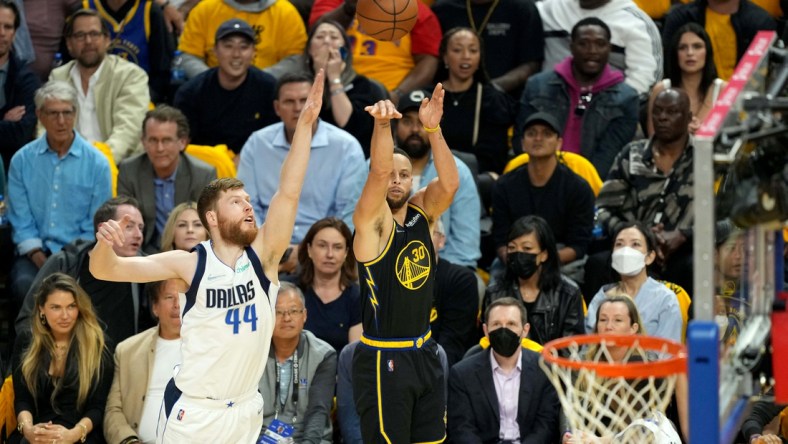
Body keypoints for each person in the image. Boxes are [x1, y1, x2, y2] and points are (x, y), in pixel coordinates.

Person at [88, 70, 326, 442]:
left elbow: (289, 191)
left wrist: (306, 126)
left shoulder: (263, 257)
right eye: (236, 202)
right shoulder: (189, 263)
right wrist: (104, 244)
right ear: (211, 218)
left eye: (248, 201)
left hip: (247, 407)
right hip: (195, 412)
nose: (248, 207)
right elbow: (108, 270)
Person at [352, 84, 458, 443]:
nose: (396, 181)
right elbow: (378, 175)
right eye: (391, 174)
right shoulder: (371, 223)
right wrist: (383, 126)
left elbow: (450, 182)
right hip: (385, 359)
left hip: (426, 352)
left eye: (404, 175)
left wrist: (433, 129)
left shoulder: (420, 213)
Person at [237, 72, 366, 273]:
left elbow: (347, 213)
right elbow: (247, 206)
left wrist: (313, 250)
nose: (298, 108)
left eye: (305, 100)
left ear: (319, 103)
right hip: (266, 250)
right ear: (277, 108)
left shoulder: (346, 147)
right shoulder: (257, 144)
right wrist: (270, 247)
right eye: (289, 101)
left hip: (326, 255)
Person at [7, 80, 112, 312]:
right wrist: (43, 261)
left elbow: (96, 223)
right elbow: (21, 222)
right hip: (35, 256)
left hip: (83, 256)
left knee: (90, 290)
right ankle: (31, 348)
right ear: (40, 115)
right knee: (24, 285)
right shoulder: (21, 161)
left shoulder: (97, 164)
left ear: (76, 114)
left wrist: (69, 262)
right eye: (53, 113)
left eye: (67, 112)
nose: (61, 121)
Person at [590, 87, 695, 294]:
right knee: (596, 264)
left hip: (685, 251)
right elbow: (602, 209)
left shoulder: (705, 157)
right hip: (632, 251)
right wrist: (636, 237)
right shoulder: (632, 154)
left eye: (672, 111)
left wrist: (683, 235)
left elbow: (728, 219)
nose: (663, 117)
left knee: (694, 266)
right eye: (657, 111)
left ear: (689, 117)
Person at [16, 196, 151, 345]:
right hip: (70, 361)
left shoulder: (144, 269)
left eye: (141, 228)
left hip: (122, 363)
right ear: (103, 229)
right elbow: (28, 319)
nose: (138, 235)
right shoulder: (65, 263)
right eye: (129, 226)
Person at [516, 17, 639, 179]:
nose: (592, 50)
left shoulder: (626, 99)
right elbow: (523, 139)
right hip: (537, 175)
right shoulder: (537, 86)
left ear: (609, 48)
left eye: (600, 44)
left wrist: (574, 187)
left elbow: (609, 156)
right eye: (584, 44)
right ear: (571, 47)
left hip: (590, 185)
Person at [566, 295, 685, 443]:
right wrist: (571, 434)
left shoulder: (647, 368)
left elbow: (643, 428)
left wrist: (596, 441)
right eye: (603, 320)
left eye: (618, 320)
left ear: (633, 328)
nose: (608, 326)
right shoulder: (581, 367)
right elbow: (569, 413)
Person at [12, 272, 114, 444]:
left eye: (71, 306)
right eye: (56, 307)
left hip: (81, 433)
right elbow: (22, 400)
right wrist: (29, 430)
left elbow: (97, 408)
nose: (65, 315)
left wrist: (73, 434)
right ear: (41, 309)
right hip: (36, 432)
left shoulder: (98, 345)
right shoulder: (26, 341)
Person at [264, 18, 387, 157]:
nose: (327, 41)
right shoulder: (294, 86)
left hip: (347, 157)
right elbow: (297, 123)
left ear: (345, 50)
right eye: (320, 37)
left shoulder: (360, 84)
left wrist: (334, 78)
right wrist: (319, 76)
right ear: (309, 49)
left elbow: (348, 124)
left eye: (334, 37)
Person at [447, 297, 560, 443]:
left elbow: (546, 425)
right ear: (486, 331)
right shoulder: (462, 374)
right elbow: (462, 429)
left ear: (525, 330)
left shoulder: (545, 368)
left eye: (511, 324)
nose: (503, 330)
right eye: (496, 324)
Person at [492, 112, 595, 271]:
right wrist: (518, 261)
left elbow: (578, 245)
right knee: (496, 283)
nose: (538, 139)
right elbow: (500, 239)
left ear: (559, 143)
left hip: (560, 257)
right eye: (531, 134)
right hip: (516, 255)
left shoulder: (578, 188)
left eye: (546, 134)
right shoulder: (504, 185)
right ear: (522, 143)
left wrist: (542, 261)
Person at [50, 8, 150, 162]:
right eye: (80, 35)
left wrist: (97, 163)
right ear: (69, 44)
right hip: (68, 167)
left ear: (107, 40)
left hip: (117, 167)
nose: (88, 41)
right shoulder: (58, 77)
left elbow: (128, 131)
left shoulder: (131, 75)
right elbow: (47, 128)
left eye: (94, 34)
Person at [395, 89, 481, 268]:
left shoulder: (457, 171)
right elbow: (355, 223)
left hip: (442, 267)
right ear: (395, 125)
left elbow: (465, 246)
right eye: (407, 121)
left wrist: (436, 274)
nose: (415, 129)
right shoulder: (375, 167)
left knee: (472, 285)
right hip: (384, 266)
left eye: (421, 122)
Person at [117, 105, 217, 253]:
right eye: (153, 140)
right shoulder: (129, 170)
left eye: (167, 140)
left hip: (190, 253)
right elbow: (125, 221)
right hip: (144, 254)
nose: (160, 148)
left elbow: (210, 227)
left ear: (182, 142)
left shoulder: (203, 175)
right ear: (143, 142)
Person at [173, 18, 279, 155]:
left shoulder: (269, 89)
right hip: (206, 167)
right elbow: (182, 145)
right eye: (228, 46)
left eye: (244, 47)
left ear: (254, 52)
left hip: (255, 164)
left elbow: (274, 141)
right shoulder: (191, 93)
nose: (236, 54)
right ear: (215, 51)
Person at [308, 0, 441, 102]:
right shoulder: (332, 2)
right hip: (333, 88)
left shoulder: (413, 9)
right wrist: (348, 8)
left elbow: (428, 61)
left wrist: (397, 95)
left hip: (388, 94)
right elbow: (316, 32)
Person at [483, 215, 585, 346]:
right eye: (512, 248)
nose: (518, 254)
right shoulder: (494, 292)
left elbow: (571, 349)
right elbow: (486, 343)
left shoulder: (568, 293)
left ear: (544, 255)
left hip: (552, 365)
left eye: (527, 248)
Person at [103, 279, 182, 444]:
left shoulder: (209, 347)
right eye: (169, 297)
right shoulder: (128, 350)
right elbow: (113, 410)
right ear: (155, 307)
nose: (177, 304)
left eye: (182, 296)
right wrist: (129, 441)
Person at [259, 283, 337, 444]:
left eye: (293, 311)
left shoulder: (323, 355)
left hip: (309, 438)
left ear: (305, 315)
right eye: (279, 312)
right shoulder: (253, 353)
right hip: (260, 437)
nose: (286, 318)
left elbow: (318, 410)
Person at [432, 27, 517, 175]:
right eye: (457, 50)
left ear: (480, 57)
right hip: (430, 174)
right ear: (445, 57)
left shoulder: (492, 100)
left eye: (473, 50)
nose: (466, 56)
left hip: (474, 177)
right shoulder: (428, 96)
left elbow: (494, 159)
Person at [537, 0, 663, 97]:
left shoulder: (636, 23)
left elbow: (646, 81)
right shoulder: (549, 9)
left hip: (608, 112)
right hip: (547, 107)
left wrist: (609, 105)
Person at [585, 222, 683, 343]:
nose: (626, 250)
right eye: (619, 244)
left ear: (650, 257)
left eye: (635, 244)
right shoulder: (602, 296)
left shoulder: (665, 299)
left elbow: (667, 353)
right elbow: (588, 346)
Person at [431, 0, 544, 96]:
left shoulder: (522, 7)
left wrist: (487, 90)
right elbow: (432, 59)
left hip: (506, 99)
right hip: (450, 96)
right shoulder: (443, 8)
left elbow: (531, 64)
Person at [177, 0, 306, 79]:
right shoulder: (205, 9)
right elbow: (189, 55)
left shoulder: (286, 12)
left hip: (268, 91)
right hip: (212, 91)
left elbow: (295, 59)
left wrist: (255, 80)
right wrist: (216, 80)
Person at [83, 0, 174, 102]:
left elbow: (161, 72)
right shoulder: (84, 9)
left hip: (141, 98)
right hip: (91, 98)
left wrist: (141, 101)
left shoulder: (150, 11)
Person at [663, 0, 775, 81]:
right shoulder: (680, 19)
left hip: (741, 103)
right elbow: (670, 69)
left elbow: (762, 77)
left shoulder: (761, 22)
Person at [295, 217, 361, 353]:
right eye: (322, 245)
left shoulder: (357, 297)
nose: (330, 254)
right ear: (309, 249)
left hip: (339, 373)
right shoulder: (292, 291)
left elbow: (354, 357)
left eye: (337, 247)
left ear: (346, 253)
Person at [648, 23, 726, 136]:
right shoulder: (662, 90)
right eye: (682, 48)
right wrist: (679, 132)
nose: (690, 53)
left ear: (707, 52)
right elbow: (652, 139)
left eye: (697, 46)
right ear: (675, 53)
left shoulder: (724, 90)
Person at [430, 219, 479, 367]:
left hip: (440, 370)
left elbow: (451, 346)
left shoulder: (460, 280)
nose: (420, 236)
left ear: (441, 241)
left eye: (429, 231)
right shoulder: (389, 279)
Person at [0, 0, 40, 172]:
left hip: (12, 170)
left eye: (8, 27)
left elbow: (21, 135)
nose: (1, 33)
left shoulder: (27, 79)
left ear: (15, 33)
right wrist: (4, 120)